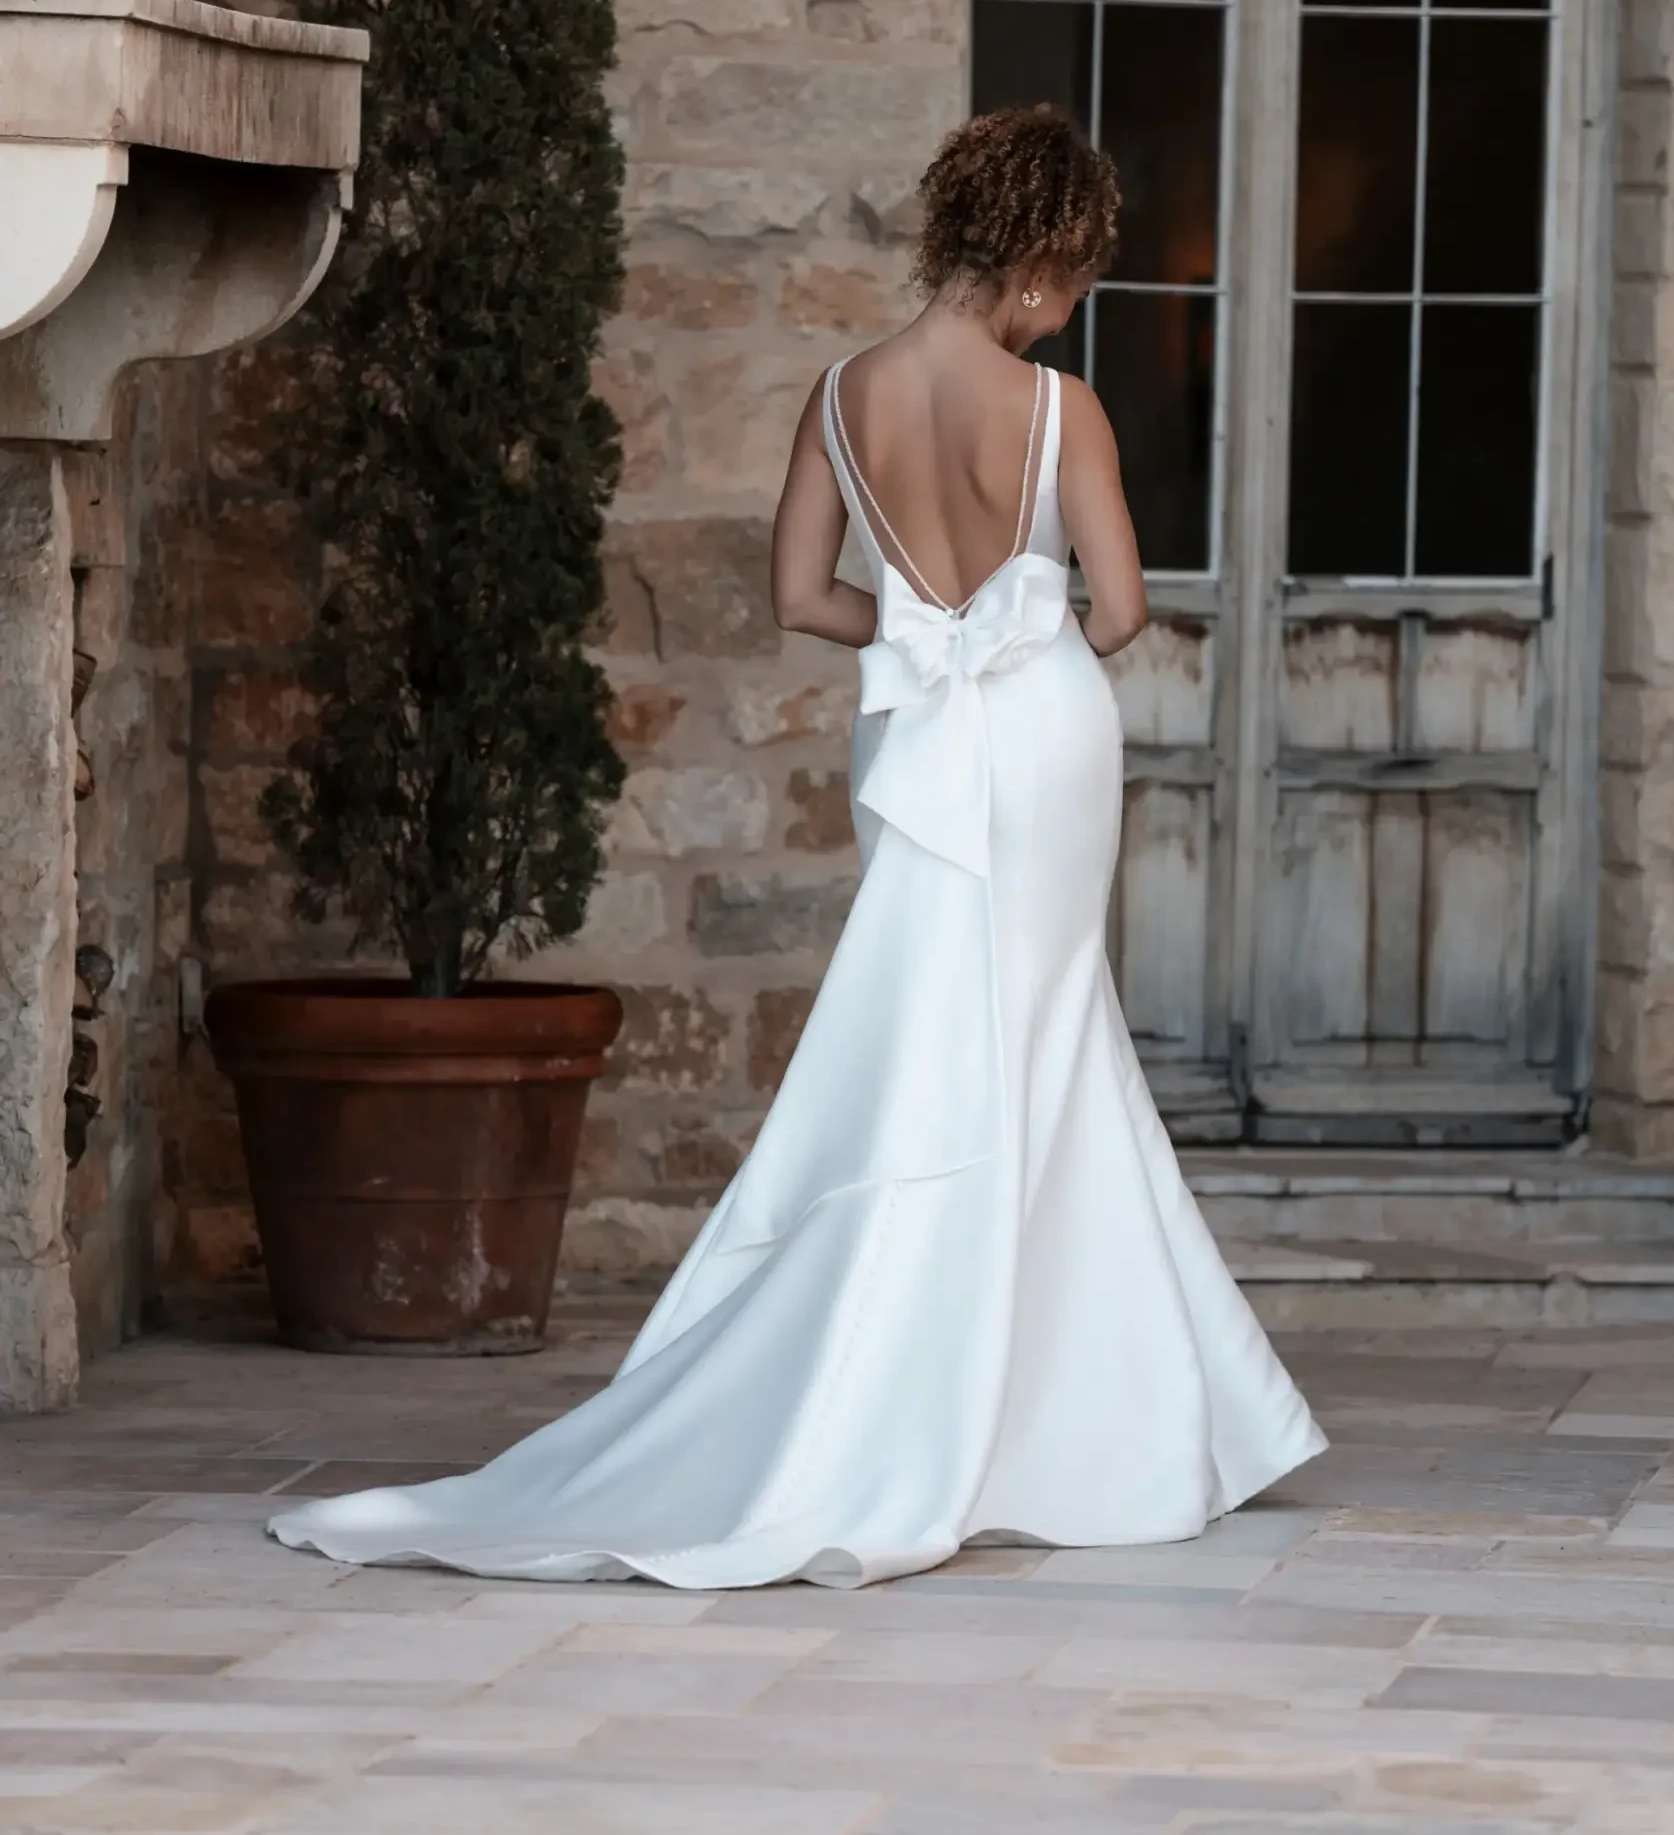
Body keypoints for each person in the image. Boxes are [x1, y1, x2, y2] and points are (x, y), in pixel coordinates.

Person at [269, 105, 1325, 1590]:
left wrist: (919, 631)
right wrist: (1025, 648)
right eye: (1075, 279)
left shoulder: (842, 396)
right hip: (1043, 737)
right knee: (1050, 1035)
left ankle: (956, 1391)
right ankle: (1071, 1424)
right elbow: (1127, 606)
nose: (1070, 308)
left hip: (924, 737)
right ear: (1036, 264)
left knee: (939, 1032)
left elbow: (798, 595)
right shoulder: (1060, 409)